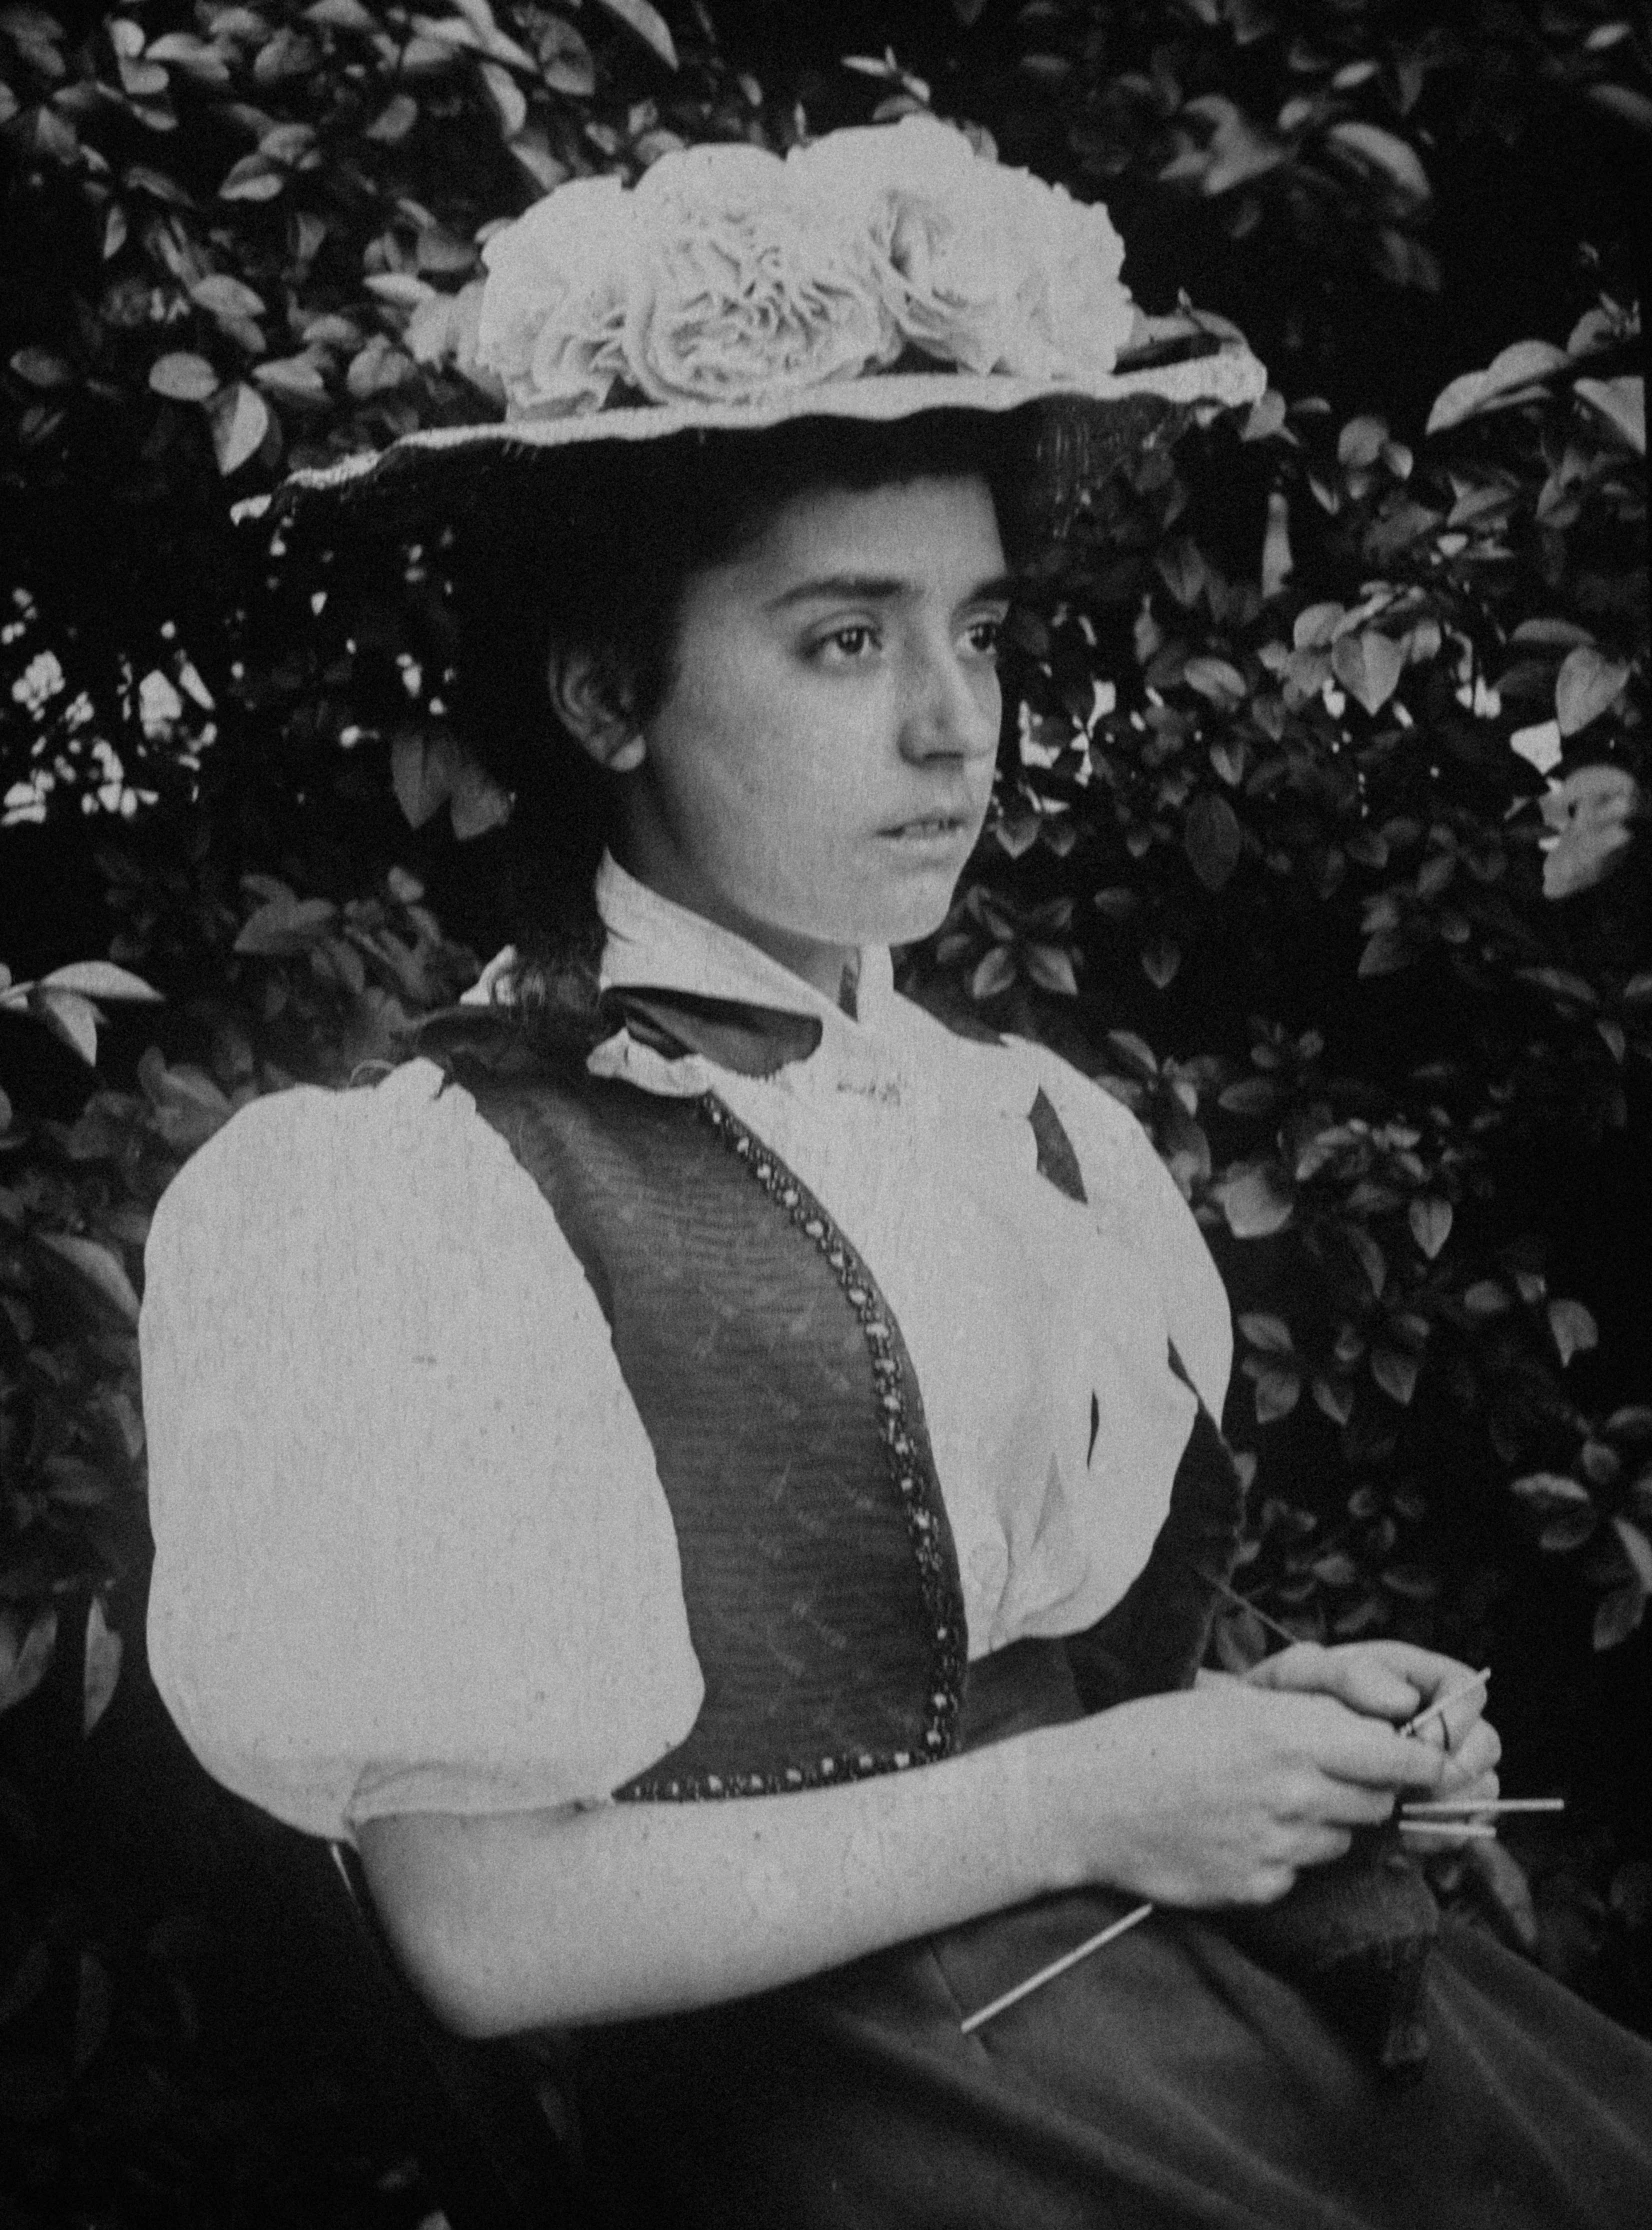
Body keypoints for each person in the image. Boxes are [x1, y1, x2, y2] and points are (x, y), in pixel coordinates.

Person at [139, 118, 1652, 2228]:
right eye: (844, 640)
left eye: (985, 631)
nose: (956, 728)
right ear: (604, 692)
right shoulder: (423, 1201)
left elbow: (998, 1680)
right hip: (865, 2122)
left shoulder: (1016, 1128)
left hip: (1168, 2004)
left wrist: (1267, 1742)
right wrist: (1094, 1795)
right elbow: (484, 1940)